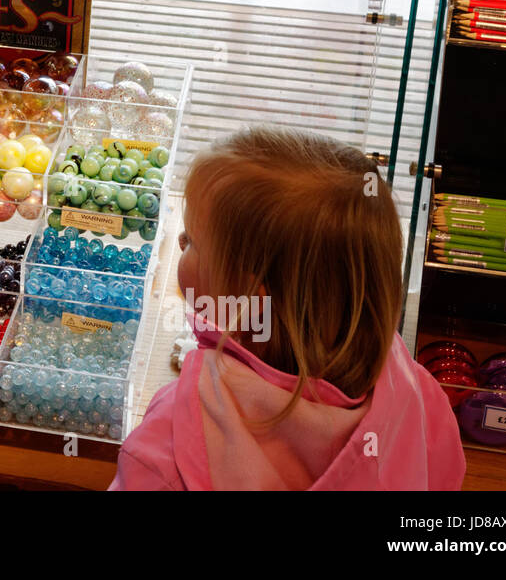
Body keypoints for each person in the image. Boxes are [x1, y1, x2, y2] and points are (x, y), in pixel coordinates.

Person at [111, 125, 465, 490]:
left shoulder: (172, 444)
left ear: (248, 297)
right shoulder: (419, 397)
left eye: (193, 241)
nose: (180, 241)